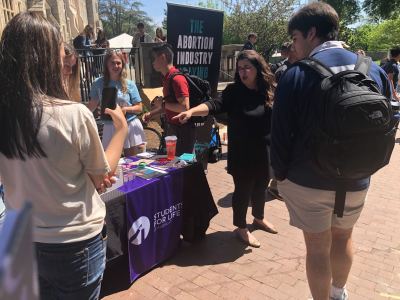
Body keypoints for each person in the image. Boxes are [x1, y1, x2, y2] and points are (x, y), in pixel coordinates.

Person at [0, 12, 127, 299]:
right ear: (45, 56)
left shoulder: (6, 118)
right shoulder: (72, 115)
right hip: (74, 244)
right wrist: (119, 130)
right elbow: (102, 178)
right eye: (60, 47)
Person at [270, 3, 392, 300]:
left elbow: (280, 135)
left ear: (312, 33)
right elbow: (390, 121)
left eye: (296, 38)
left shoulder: (296, 74)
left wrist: (280, 177)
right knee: (344, 237)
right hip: (357, 177)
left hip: (308, 180)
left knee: (317, 248)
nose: (294, 47)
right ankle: (339, 293)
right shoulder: (372, 69)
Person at [173, 50, 278, 247]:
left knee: (261, 186)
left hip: (265, 150)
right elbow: (214, 104)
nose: (243, 72)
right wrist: (192, 111)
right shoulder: (233, 91)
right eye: (240, 68)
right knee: (243, 190)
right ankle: (241, 227)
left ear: (258, 68)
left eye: (247, 67)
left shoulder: (269, 89)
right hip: (242, 153)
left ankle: (258, 217)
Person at [88, 49, 146, 156]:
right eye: (112, 63)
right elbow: (91, 105)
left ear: (123, 65)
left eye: (118, 63)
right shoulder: (98, 83)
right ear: (106, 64)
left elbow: (139, 108)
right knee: (111, 163)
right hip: (109, 126)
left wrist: (125, 109)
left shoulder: (130, 84)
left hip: (129, 124)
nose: (116, 66)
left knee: (132, 162)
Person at [143, 43, 195, 156]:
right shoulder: (167, 78)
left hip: (182, 132)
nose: (152, 62)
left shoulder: (177, 79)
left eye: (154, 58)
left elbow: (184, 107)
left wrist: (162, 103)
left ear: (162, 57)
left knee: (183, 166)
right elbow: (169, 106)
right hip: (173, 129)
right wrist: (151, 114)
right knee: (173, 164)